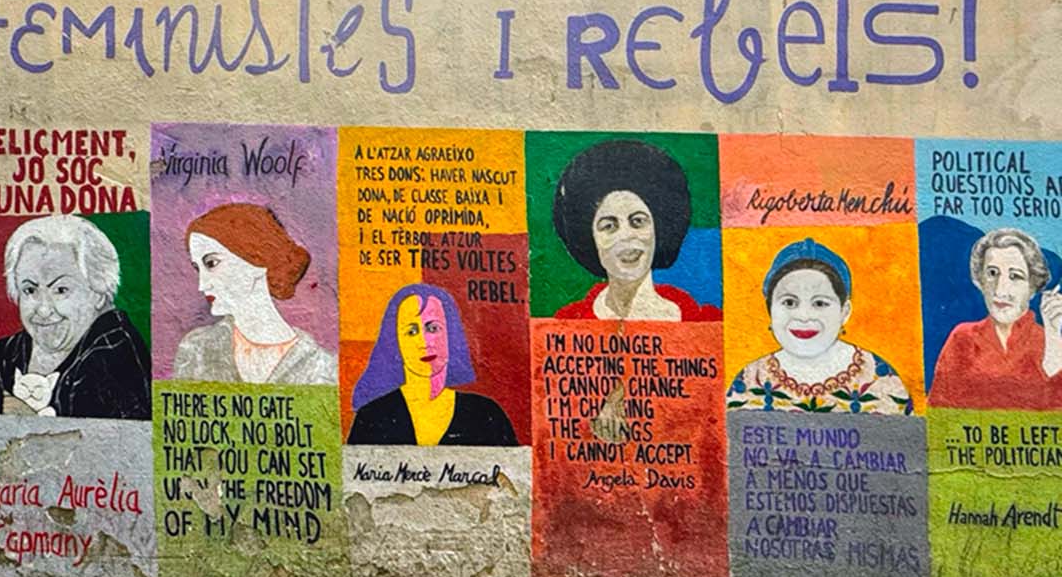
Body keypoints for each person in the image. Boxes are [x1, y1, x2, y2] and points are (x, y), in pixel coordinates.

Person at [0, 214, 151, 418]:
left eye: (61, 290)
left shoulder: (114, 354)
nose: (43, 309)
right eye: (30, 290)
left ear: (98, 294)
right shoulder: (4, 354)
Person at [727, 238, 912, 414]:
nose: (804, 316)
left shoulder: (879, 378)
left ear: (844, 311)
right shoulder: (749, 380)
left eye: (820, 303)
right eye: (789, 302)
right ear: (770, 309)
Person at [552, 140, 719, 321]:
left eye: (638, 221)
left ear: (658, 229)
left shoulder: (705, 321)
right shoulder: (567, 321)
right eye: (609, 226)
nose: (626, 236)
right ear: (590, 238)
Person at [174, 203, 336, 384]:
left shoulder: (321, 367)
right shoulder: (196, 349)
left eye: (212, 263)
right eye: (198, 268)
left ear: (258, 259)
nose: (203, 285)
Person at [348, 284, 517, 446]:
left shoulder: (486, 414)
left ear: (451, 335)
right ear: (395, 342)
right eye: (412, 332)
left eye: (433, 328)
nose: (425, 342)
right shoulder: (371, 417)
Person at [929, 227, 1062, 410]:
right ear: (980, 281)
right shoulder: (963, 338)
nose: (1000, 290)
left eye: (1015, 276)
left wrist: (1053, 339)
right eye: (992, 273)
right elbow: (939, 411)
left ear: (1032, 287)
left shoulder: (1050, 343)